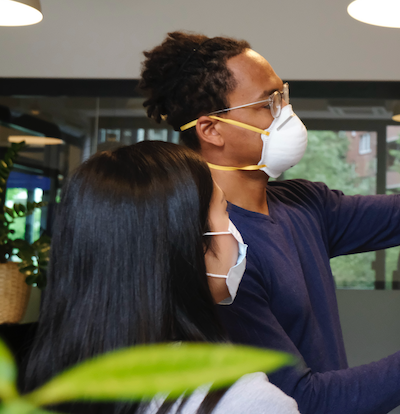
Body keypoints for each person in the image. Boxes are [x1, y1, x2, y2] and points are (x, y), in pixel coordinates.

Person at [139, 31, 400, 414]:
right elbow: (302, 401)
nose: (286, 115)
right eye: (267, 104)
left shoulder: (301, 204)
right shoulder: (218, 254)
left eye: (284, 96)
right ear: (212, 129)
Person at [22, 141, 299, 414]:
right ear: (189, 243)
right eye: (225, 212)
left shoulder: (37, 383)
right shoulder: (244, 401)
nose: (234, 230)